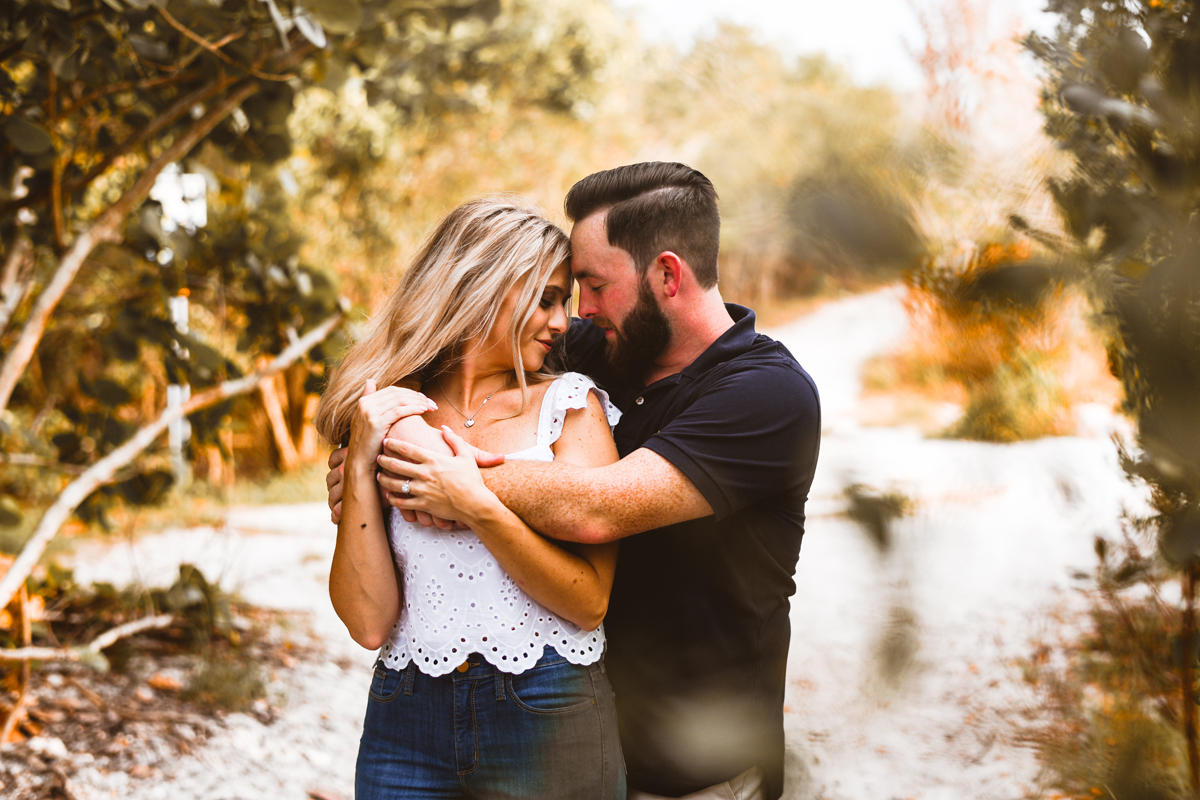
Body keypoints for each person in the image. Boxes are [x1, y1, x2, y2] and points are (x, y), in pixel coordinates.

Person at [328, 163, 821, 800]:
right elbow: (458, 355)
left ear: (667, 275)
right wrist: (368, 462)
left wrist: (436, 473)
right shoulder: (599, 347)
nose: (577, 314)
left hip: (693, 771)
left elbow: (596, 508)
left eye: (592, 285)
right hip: (574, 727)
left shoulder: (765, 392)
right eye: (568, 294)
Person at [314, 198, 626, 800]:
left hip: (547, 708)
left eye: (563, 301)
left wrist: (475, 504)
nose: (563, 322)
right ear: (484, 287)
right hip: (404, 718)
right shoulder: (392, 412)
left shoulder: (568, 406)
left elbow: (588, 603)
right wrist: (358, 462)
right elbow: (368, 622)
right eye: (547, 298)